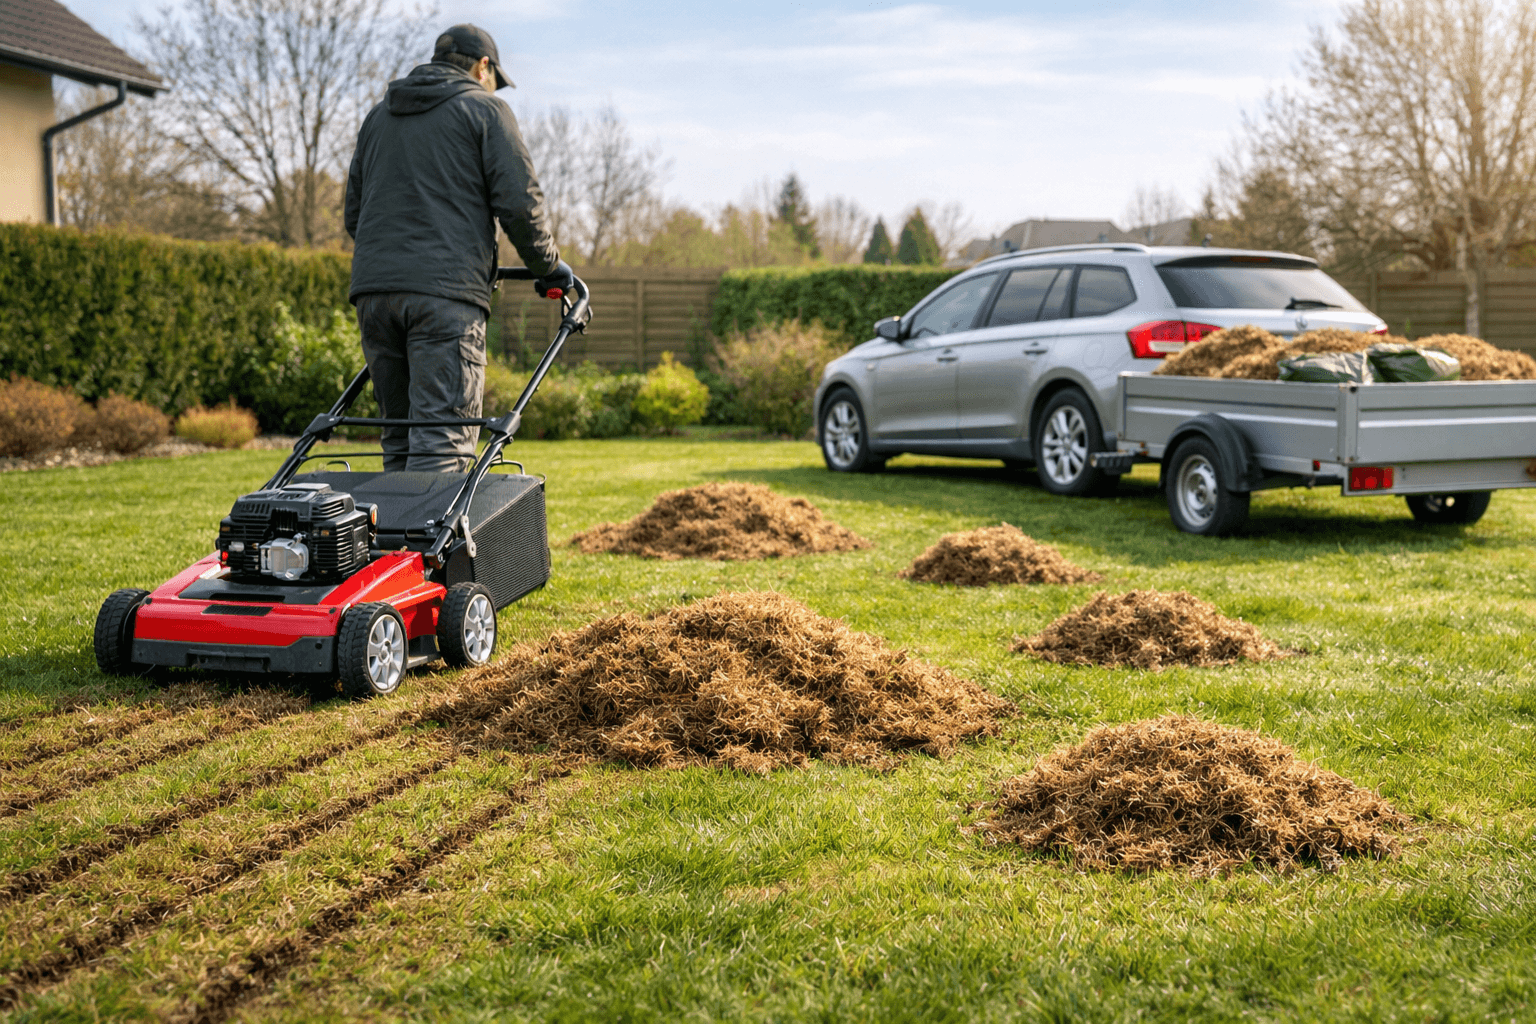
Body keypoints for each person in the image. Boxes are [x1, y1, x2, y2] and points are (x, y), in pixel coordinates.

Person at [344, 24, 573, 472]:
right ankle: (428, 539)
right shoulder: (486, 112)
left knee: (401, 435)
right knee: (442, 441)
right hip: (445, 299)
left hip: (375, 296)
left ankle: (396, 540)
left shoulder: (378, 117)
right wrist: (548, 267)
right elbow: (520, 206)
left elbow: (356, 214)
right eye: (494, 77)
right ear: (482, 66)